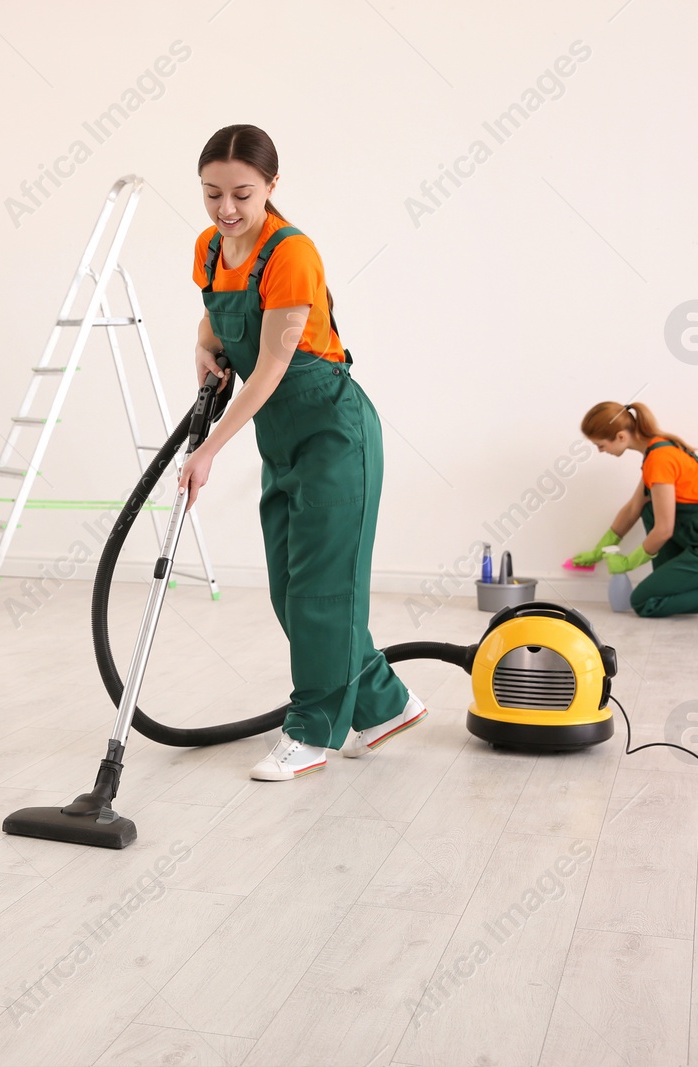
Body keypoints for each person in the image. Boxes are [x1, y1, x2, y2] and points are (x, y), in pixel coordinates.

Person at [176, 125, 425, 782]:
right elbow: (216, 328)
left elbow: (272, 367)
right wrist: (203, 354)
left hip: (331, 428)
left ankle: (311, 732)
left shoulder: (292, 252)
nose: (226, 208)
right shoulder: (209, 248)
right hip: (278, 434)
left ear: (271, 186)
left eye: (242, 193)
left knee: (321, 589)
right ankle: (383, 704)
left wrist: (208, 449)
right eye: (212, 194)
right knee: (293, 592)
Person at [572, 401, 698, 620]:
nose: (600, 451)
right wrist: (600, 550)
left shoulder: (659, 459)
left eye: (601, 445)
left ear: (621, 436)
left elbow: (664, 530)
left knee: (644, 602)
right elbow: (634, 507)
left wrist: (628, 563)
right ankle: (683, 583)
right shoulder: (659, 449)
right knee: (649, 508)